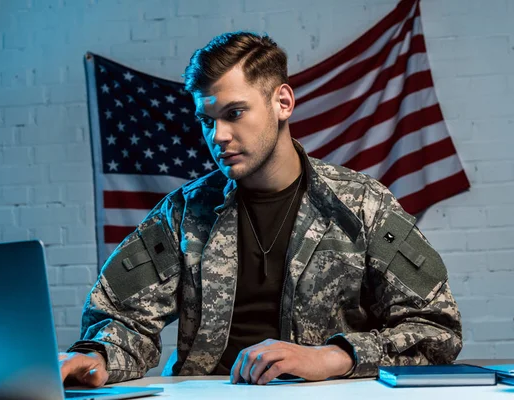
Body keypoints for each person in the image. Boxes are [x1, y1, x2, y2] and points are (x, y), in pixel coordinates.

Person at [59, 31, 462, 387]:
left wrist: (331, 357)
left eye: (234, 113)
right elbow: (123, 320)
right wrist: (94, 358)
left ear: (282, 102)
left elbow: (436, 331)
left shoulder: (361, 205)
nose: (218, 135)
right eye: (207, 119)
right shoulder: (183, 213)